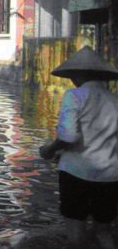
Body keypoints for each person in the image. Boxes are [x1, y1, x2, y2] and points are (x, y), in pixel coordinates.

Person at [39, 46, 118, 249]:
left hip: (76, 174)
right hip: (110, 175)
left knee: (76, 237)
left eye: (73, 75)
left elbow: (68, 136)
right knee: (104, 231)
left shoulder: (74, 96)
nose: (72, 79)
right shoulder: (114, 101)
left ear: (80, 74)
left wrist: (50, 149)